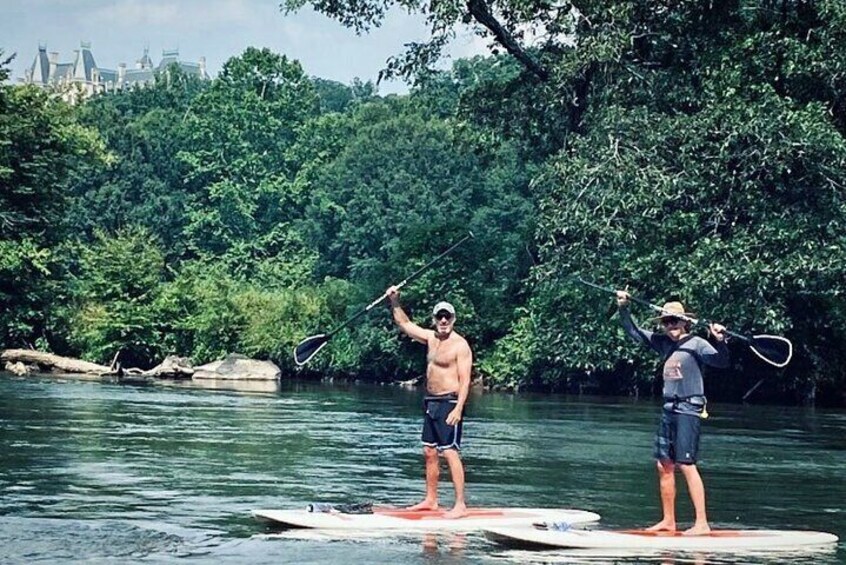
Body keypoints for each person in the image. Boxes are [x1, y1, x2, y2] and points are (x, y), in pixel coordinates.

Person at [616, 291, 729, 535]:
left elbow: (721, 362)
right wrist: (623, 308)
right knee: (664, 464)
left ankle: (702, 524)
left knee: (686, 464)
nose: (670, 326)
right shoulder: (664, 343)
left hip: (689, 408)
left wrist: (720, 340)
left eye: (674, 321)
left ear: (685, 322)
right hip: (669, 408)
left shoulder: (697, 344)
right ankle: (669, 521)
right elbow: (634, 332)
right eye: (666, 322)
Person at [386, 286, 473, 519]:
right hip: (431, 402)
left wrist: (458, 409)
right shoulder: (430, 338)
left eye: (448, 316)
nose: (443, 320)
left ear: (453, 319)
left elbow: (466, 381)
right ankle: (431, 501)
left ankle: (460, 505)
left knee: (450, 452)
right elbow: (405, 325)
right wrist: (395, 302)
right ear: (434, 319)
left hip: (450, 402)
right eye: (439, 316)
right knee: (429, 451)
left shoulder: (460, 345)